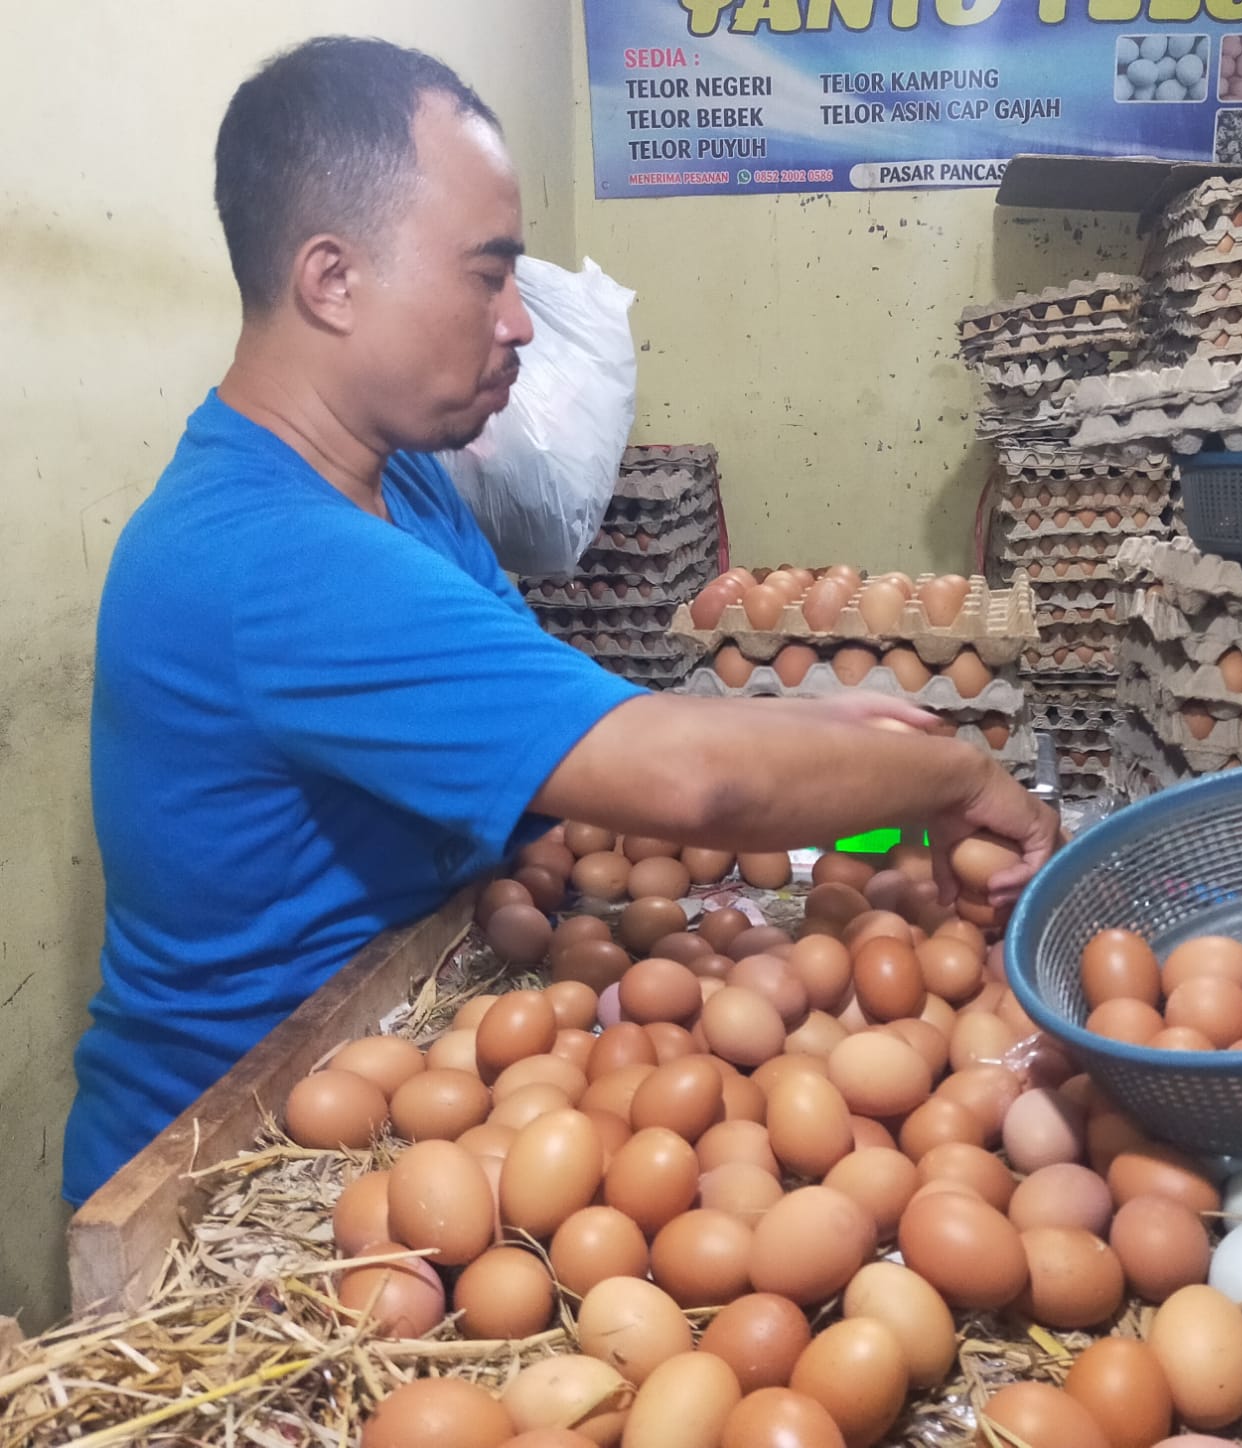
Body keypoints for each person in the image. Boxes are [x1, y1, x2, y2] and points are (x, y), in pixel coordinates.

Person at [63, 36, 1058, 1206]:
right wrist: (949, 777)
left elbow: (559, 718)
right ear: (331, 280)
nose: (522, 326)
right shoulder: (269, 556)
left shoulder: (402, 481)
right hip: (233, 1152)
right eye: (488, 276)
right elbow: (694, 786)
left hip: (405, 1050)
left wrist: (824, 732)